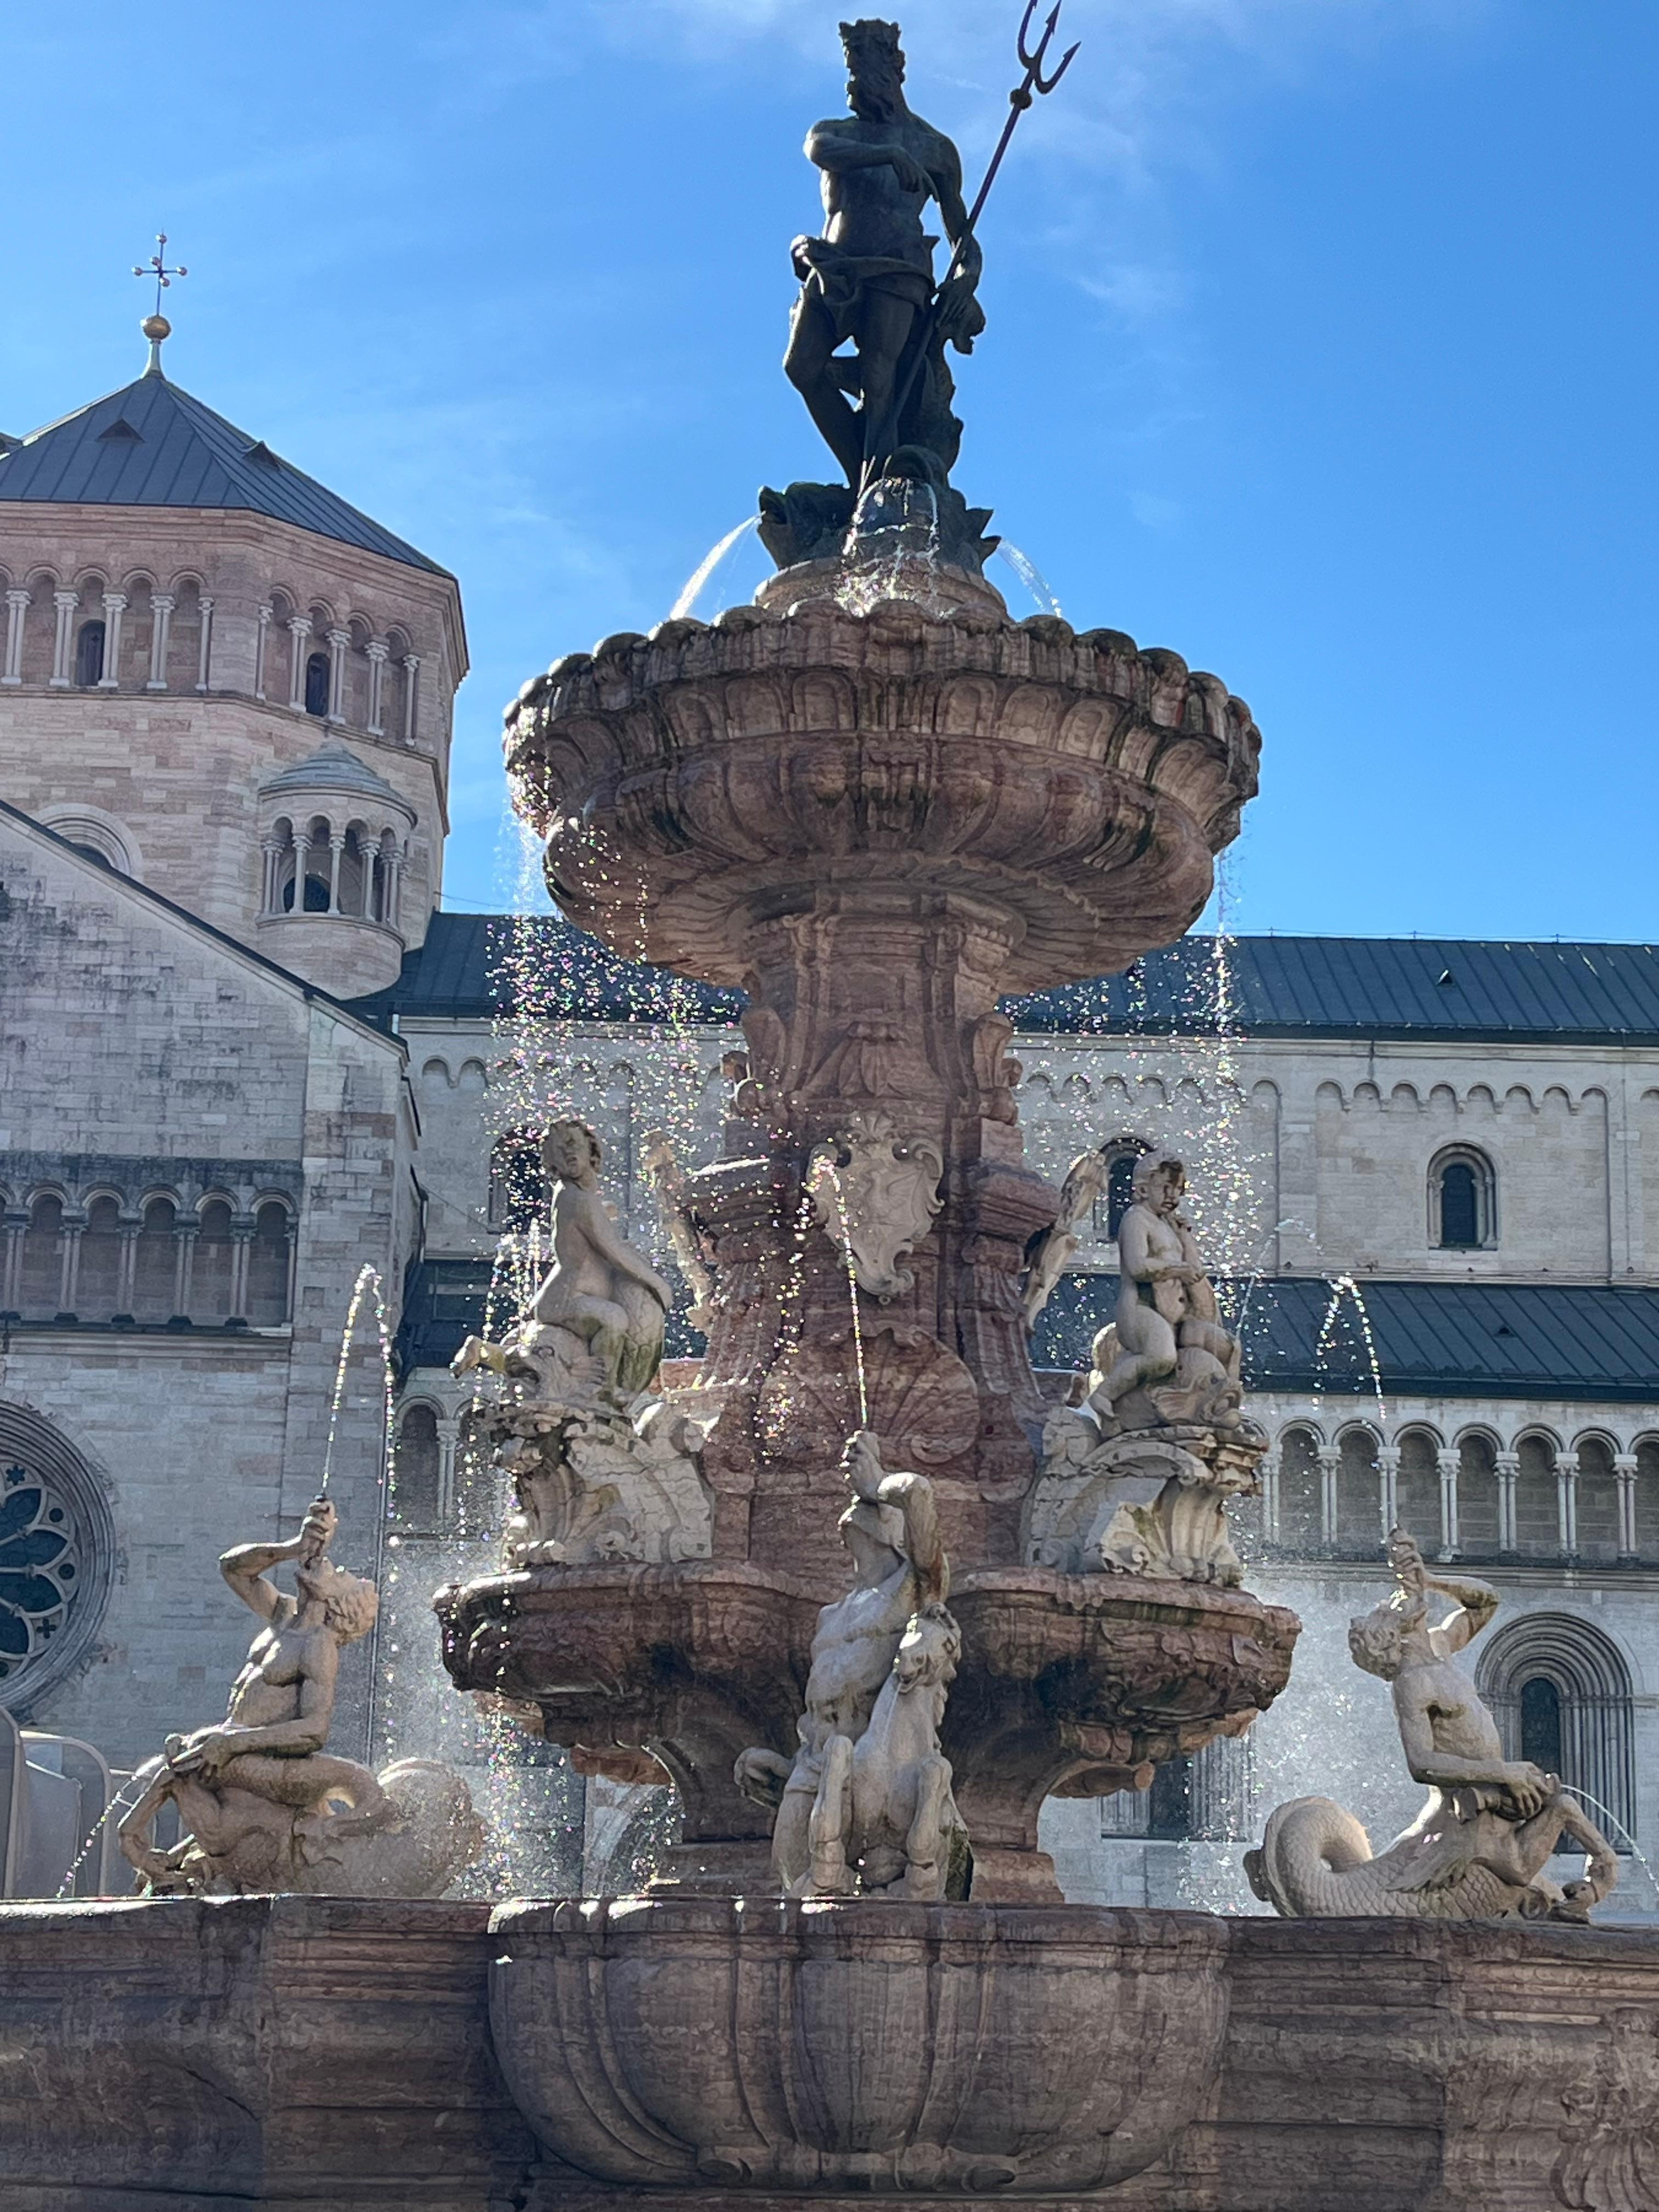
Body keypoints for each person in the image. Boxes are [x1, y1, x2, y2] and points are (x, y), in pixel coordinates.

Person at [119, 1497, 385, 1890]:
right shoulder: (283, 1616)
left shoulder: (318, 1645)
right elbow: (232, 1568)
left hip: (264, 1760)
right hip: (237, 1751)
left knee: (184, 1758)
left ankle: (134, 1843)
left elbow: (315, 1730)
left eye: (344, 1577)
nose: (338, 1567)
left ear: (339, 1604)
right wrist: (295, 1547)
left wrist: (233, 1744)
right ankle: (152, 1850)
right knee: (185, 1753)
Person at [784, 18, 984, 488]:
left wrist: (967, 279)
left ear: (895, 71)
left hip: (899, 268)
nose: (855, 83)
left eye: (866, 70)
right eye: (851, 70)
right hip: (835, 268)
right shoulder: (837, 133)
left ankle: (879, 492)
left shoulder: (933, 148)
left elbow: (964, 238)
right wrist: (888, 156)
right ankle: (864, 477)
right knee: (802, 367)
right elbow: (820, 150)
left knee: (880, 378)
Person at [455, 1117, 670, 1404]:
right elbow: (613, 1250)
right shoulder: (578, 1200)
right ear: (551, 1163)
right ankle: (598, 1390)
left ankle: (482, 1350)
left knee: (555, 1362)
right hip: (567, 1297)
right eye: (558, 1150)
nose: (567, 1153)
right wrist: (658, 1285)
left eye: (572, 1144)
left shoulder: (579, 1196)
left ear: (591, 1150)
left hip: (568, 1293)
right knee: (615, 1319)